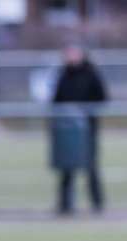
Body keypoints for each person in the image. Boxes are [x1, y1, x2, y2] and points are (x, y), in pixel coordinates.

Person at [50, 42, 108, 215]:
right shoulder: (63, 74)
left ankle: (97, 204)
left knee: (91, 166)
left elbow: (102, 97)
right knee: (67, 167)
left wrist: (83, 109)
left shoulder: (91, 73)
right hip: (67, 128)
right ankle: (65, 204)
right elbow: (55, 99)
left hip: (87, 127)